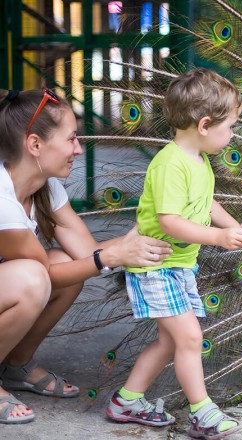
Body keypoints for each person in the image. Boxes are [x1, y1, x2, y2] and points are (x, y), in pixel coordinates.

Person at [0, 87, 172, 424]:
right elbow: (48, 273)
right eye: (71, 139)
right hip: (22, 280)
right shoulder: (2, 203)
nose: (78, 150)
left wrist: (146, 231)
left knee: (66, 264)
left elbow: (87, 252)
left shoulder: (45, 190)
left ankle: (15, 365)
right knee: (33, 280)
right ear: (35, 145)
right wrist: (111, 258)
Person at [105, 68, 242, 439]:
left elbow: (207, 204)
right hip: (155, 266)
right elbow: (170, 222)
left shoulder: (198, 162)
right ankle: (202, 413)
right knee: (190, 337)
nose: (233, 135)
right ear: (205, 125)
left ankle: (125, 401)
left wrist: (232, 226)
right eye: (230, 127)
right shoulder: (170, 164)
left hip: (177, 267)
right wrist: (218, 238)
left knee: (170, 341)